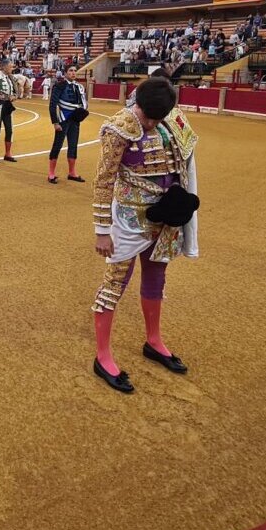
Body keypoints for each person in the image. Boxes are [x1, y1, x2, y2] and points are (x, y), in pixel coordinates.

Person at [91, 78, 198, 394]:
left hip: (163, 218)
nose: (151, 123)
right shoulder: (118, 128)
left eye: (156, 118)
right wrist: (101, 231)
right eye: (148, 117)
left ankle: (154, 341)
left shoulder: (169, 122)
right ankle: (103, 356)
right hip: (128, 219)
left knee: (156, 279)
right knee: (114, 285)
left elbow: (185, 161)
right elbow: (103, 181)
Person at [48, 66, 88, 184]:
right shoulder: (59, 86)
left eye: (75, 71)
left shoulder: (79, 87)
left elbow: (83, 103)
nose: (73, 73)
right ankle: (51, 173)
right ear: (65, 73)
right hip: (63, 119)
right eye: (70, 71)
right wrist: (55, 122)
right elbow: (52, 105)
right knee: (57, 145)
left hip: (75, 119)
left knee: (73, 145)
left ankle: (72, 172)